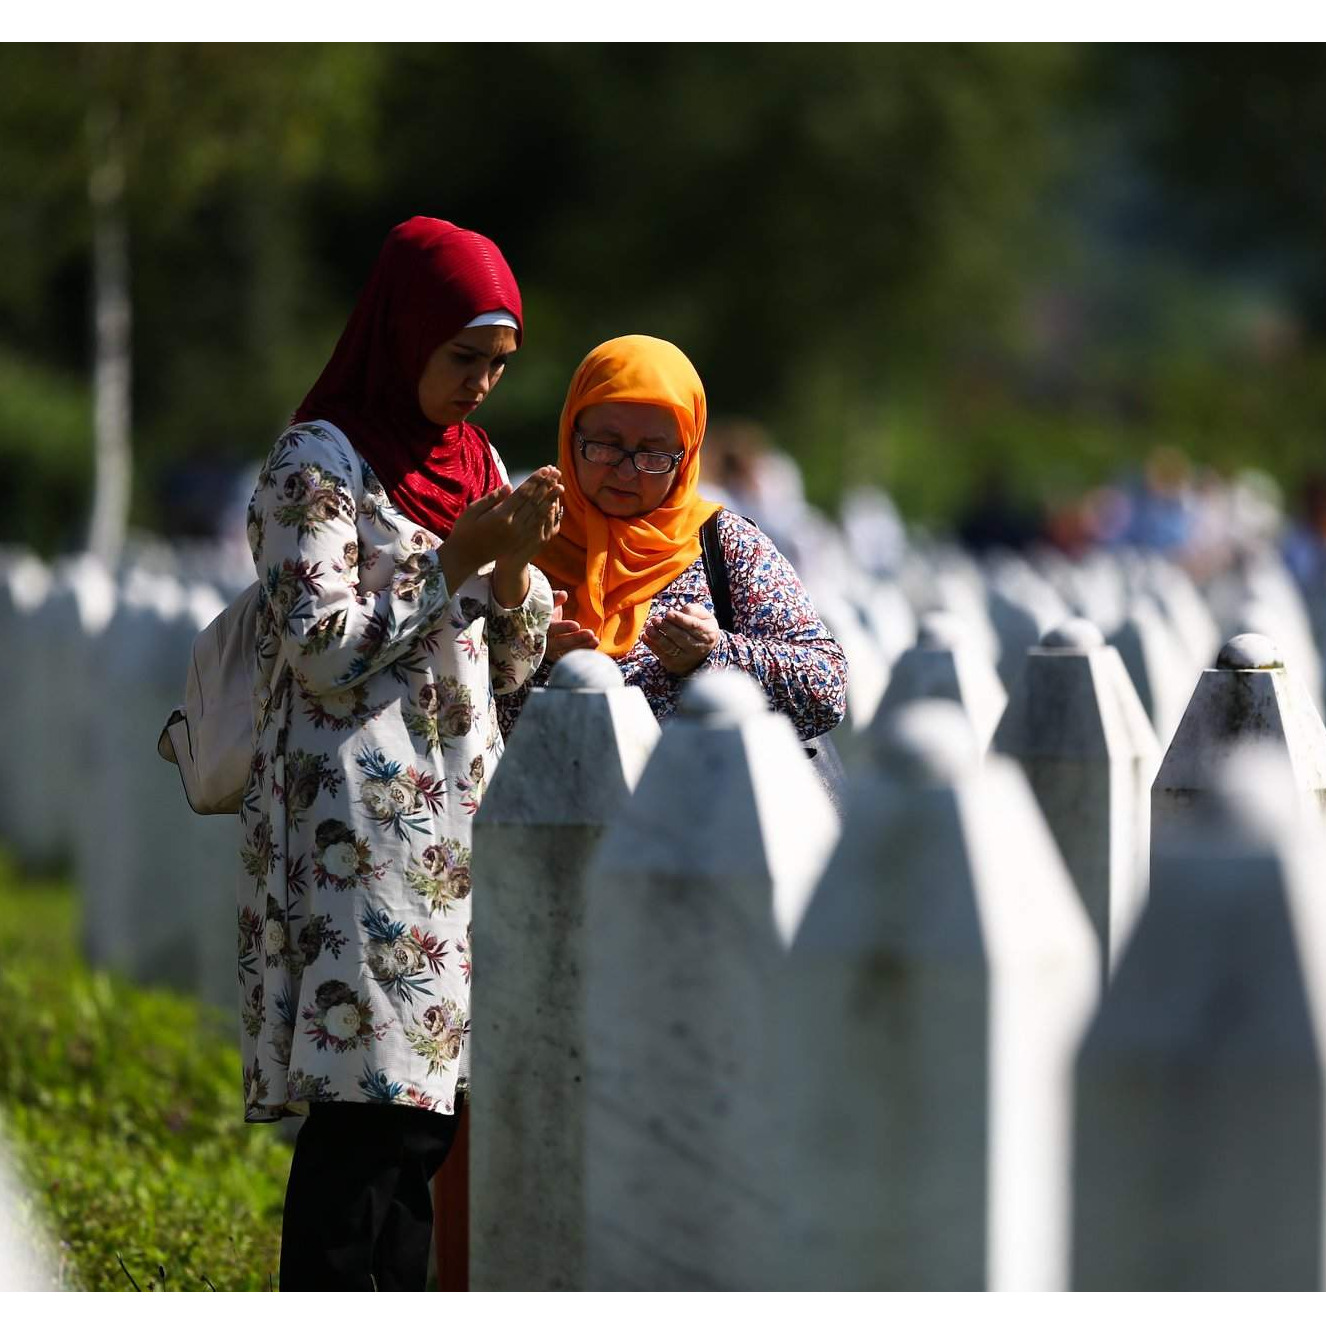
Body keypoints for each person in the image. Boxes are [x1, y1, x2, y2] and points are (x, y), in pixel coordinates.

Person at [239, 217, 561, 1291]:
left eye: (498, 366)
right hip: (352, 829)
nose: (479, 387)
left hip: (453, 822)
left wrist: (512, 577)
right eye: (461, 358)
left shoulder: (478, 465)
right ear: (403, 333)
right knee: (364, 1114)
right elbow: (322, 646)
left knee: (426, 1119)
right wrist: (455, 564)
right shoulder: (319, 462)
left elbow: (510, 668)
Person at [498, 334, 847, 742]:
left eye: (653, 455)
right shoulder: (520, 533)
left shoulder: (726, 545)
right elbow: (443, 678)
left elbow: (827, 688)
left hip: (689, 802)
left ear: (687, 454)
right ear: (571, 433)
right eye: (606, 446)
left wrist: (713, 653)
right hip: (529, 802)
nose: (626, 472)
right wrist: (527, 647)